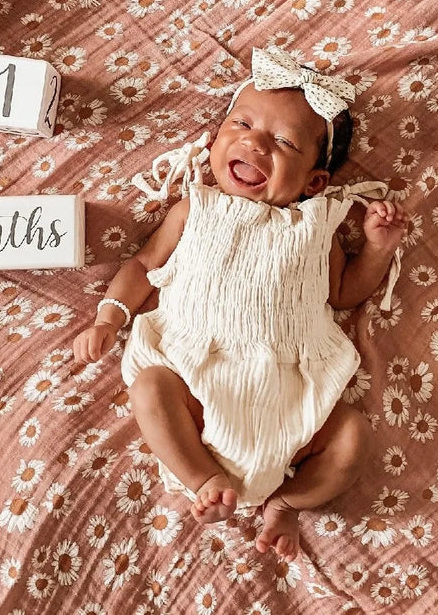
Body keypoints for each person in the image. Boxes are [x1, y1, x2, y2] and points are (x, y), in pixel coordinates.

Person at [73, 47, 407, 562]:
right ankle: (203, 477)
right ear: (214, 141)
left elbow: (345, 295)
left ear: (314, 183)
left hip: (290, 395)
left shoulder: (318, 229)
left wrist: (378, 248)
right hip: (193, 376)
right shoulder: (196, 207)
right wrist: (109, 315)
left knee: (353, 438)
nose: (254, 142)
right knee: (148, 389)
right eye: (242, 123)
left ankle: (287, 503)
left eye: (282, 142)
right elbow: (143, 265)